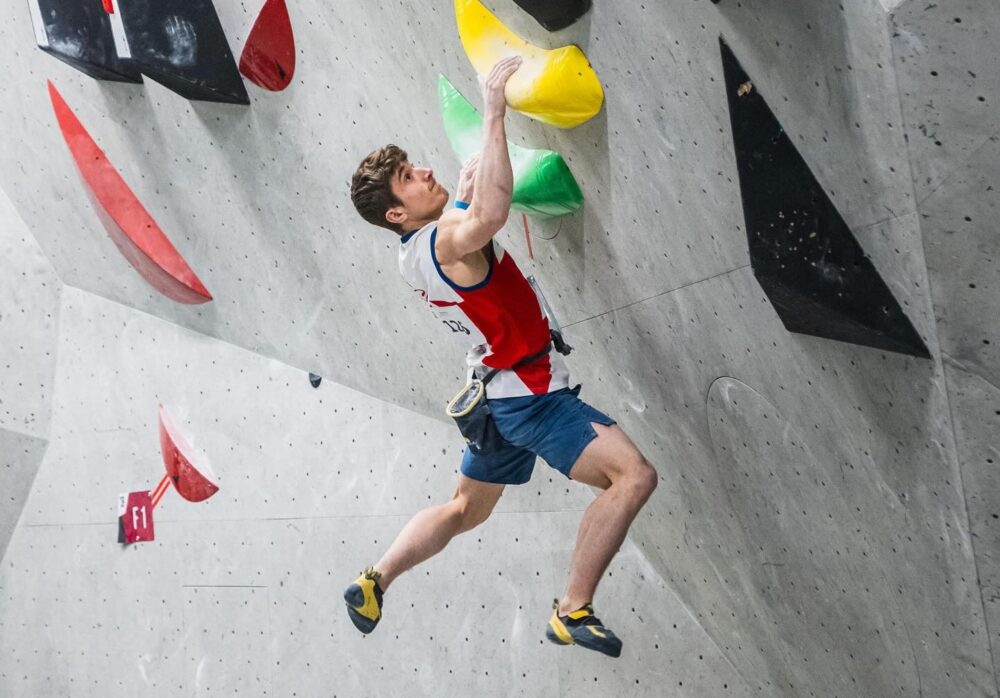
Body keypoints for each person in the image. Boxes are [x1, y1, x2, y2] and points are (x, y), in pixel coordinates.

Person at [346, 56, 657, 658]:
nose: (425, 171)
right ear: (395, 213)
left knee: (466, 507)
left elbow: (464, 226)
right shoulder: (441, 239)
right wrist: (493, 110)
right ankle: (573, 610)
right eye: (411, 176)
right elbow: (488, 218)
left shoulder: (412, 250)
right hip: (531, 396)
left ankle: (374, 579)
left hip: (491, 397)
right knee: (632, 476)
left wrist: (458, 201)